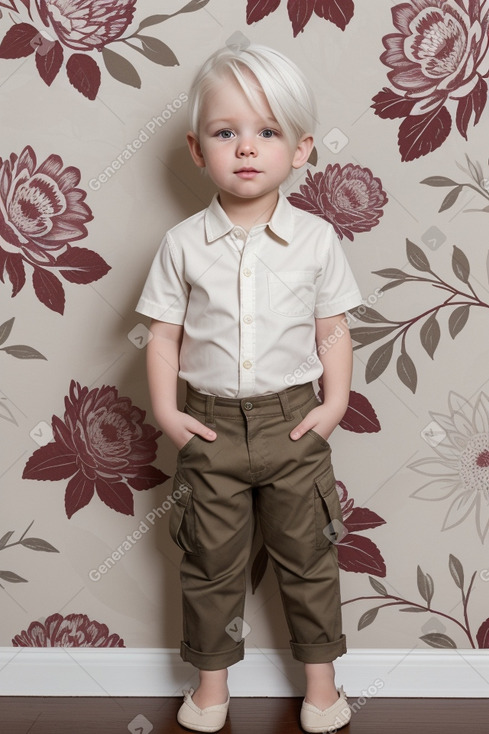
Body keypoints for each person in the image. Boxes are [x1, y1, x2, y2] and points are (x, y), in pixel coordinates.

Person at [136, 43, 362, 733]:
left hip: (293, 425)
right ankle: (210, 690)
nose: (245, 148)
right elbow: (165, 337)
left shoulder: (317, 240)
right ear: (196, 149)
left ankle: (320, 687)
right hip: (207, 426)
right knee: (209, 564)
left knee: (309, 559)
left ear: (299, 151)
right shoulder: (181, 244)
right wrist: (170, 415)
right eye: (225, 131)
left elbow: (334, 330)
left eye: (266, 131)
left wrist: (332, 406)